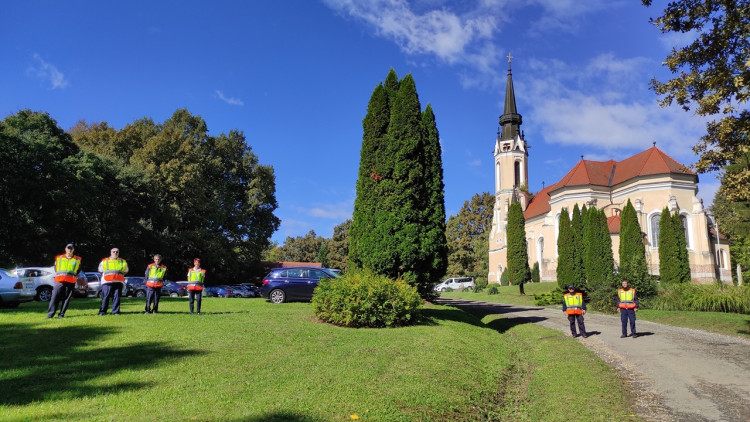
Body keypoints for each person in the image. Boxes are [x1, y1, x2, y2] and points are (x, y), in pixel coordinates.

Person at [47, 243, 82, 319]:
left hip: (71, 281)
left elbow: (78, 270)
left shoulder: (77, 259)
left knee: (66, 298)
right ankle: (50, 315)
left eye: (71, 248)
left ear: (73, 250)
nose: (69, 250)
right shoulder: (59, 258)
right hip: (59, 280)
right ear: (65, 249)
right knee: (55, 297)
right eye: (68, 248)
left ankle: (61, 314)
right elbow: (55, 268)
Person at [98, 247, 128, 315]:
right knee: (105, 297)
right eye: (113, 251)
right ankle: (102, 311)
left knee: (116, 297)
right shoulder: (105, 261)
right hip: (107, 282)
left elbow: (126, 271)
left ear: (118, 253)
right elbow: (100, 270)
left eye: (117, 252)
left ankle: (115, 312)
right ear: (111, 252)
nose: (115, 253)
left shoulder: (123, 261)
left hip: (118, 282)